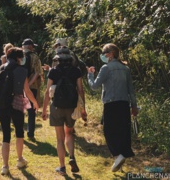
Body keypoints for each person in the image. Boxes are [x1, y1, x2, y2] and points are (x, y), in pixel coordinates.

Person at [87, 43, 138, 172]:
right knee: (123, 131)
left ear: (111, 54)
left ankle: (118, 155)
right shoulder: (125, 68)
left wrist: (90, 75)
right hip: (124, 104)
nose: (103, 56)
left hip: (110, 104)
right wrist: (134, 106)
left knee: (109, 131)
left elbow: (94, 86)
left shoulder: (106, 68)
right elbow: (131, 90)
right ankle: (122, 155)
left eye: (104, 53)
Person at [42, 46, 87, 176]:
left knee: (59, 138)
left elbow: (47, 92)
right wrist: (83, 108)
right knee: (69, 133)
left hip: (56, 106)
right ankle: (72, 156)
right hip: (71, 106)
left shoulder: (54, 71)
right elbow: (81, 90)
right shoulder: (76, 71)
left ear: (58, 59)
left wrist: (44, 110)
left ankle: (62, 167)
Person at [0, 47, 39, 175]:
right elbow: (27, 90)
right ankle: (20, 159)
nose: (23, 59)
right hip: (17, 102)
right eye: (21, 57)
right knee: (19, 132)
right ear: (18, 58)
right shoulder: (22, 70)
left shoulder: (2, 68)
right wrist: (35, 102)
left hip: (3, 104)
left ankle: (5, 166)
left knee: (6, 135)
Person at [22, 38, 43, 140]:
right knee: (31, 111)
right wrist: (29, 84)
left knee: (19, 109)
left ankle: (19, 132)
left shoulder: (18, 55)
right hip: (32, 87)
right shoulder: (35, 57)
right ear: (30, 46)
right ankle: (30, 134)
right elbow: (37, 72)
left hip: (18, 86)